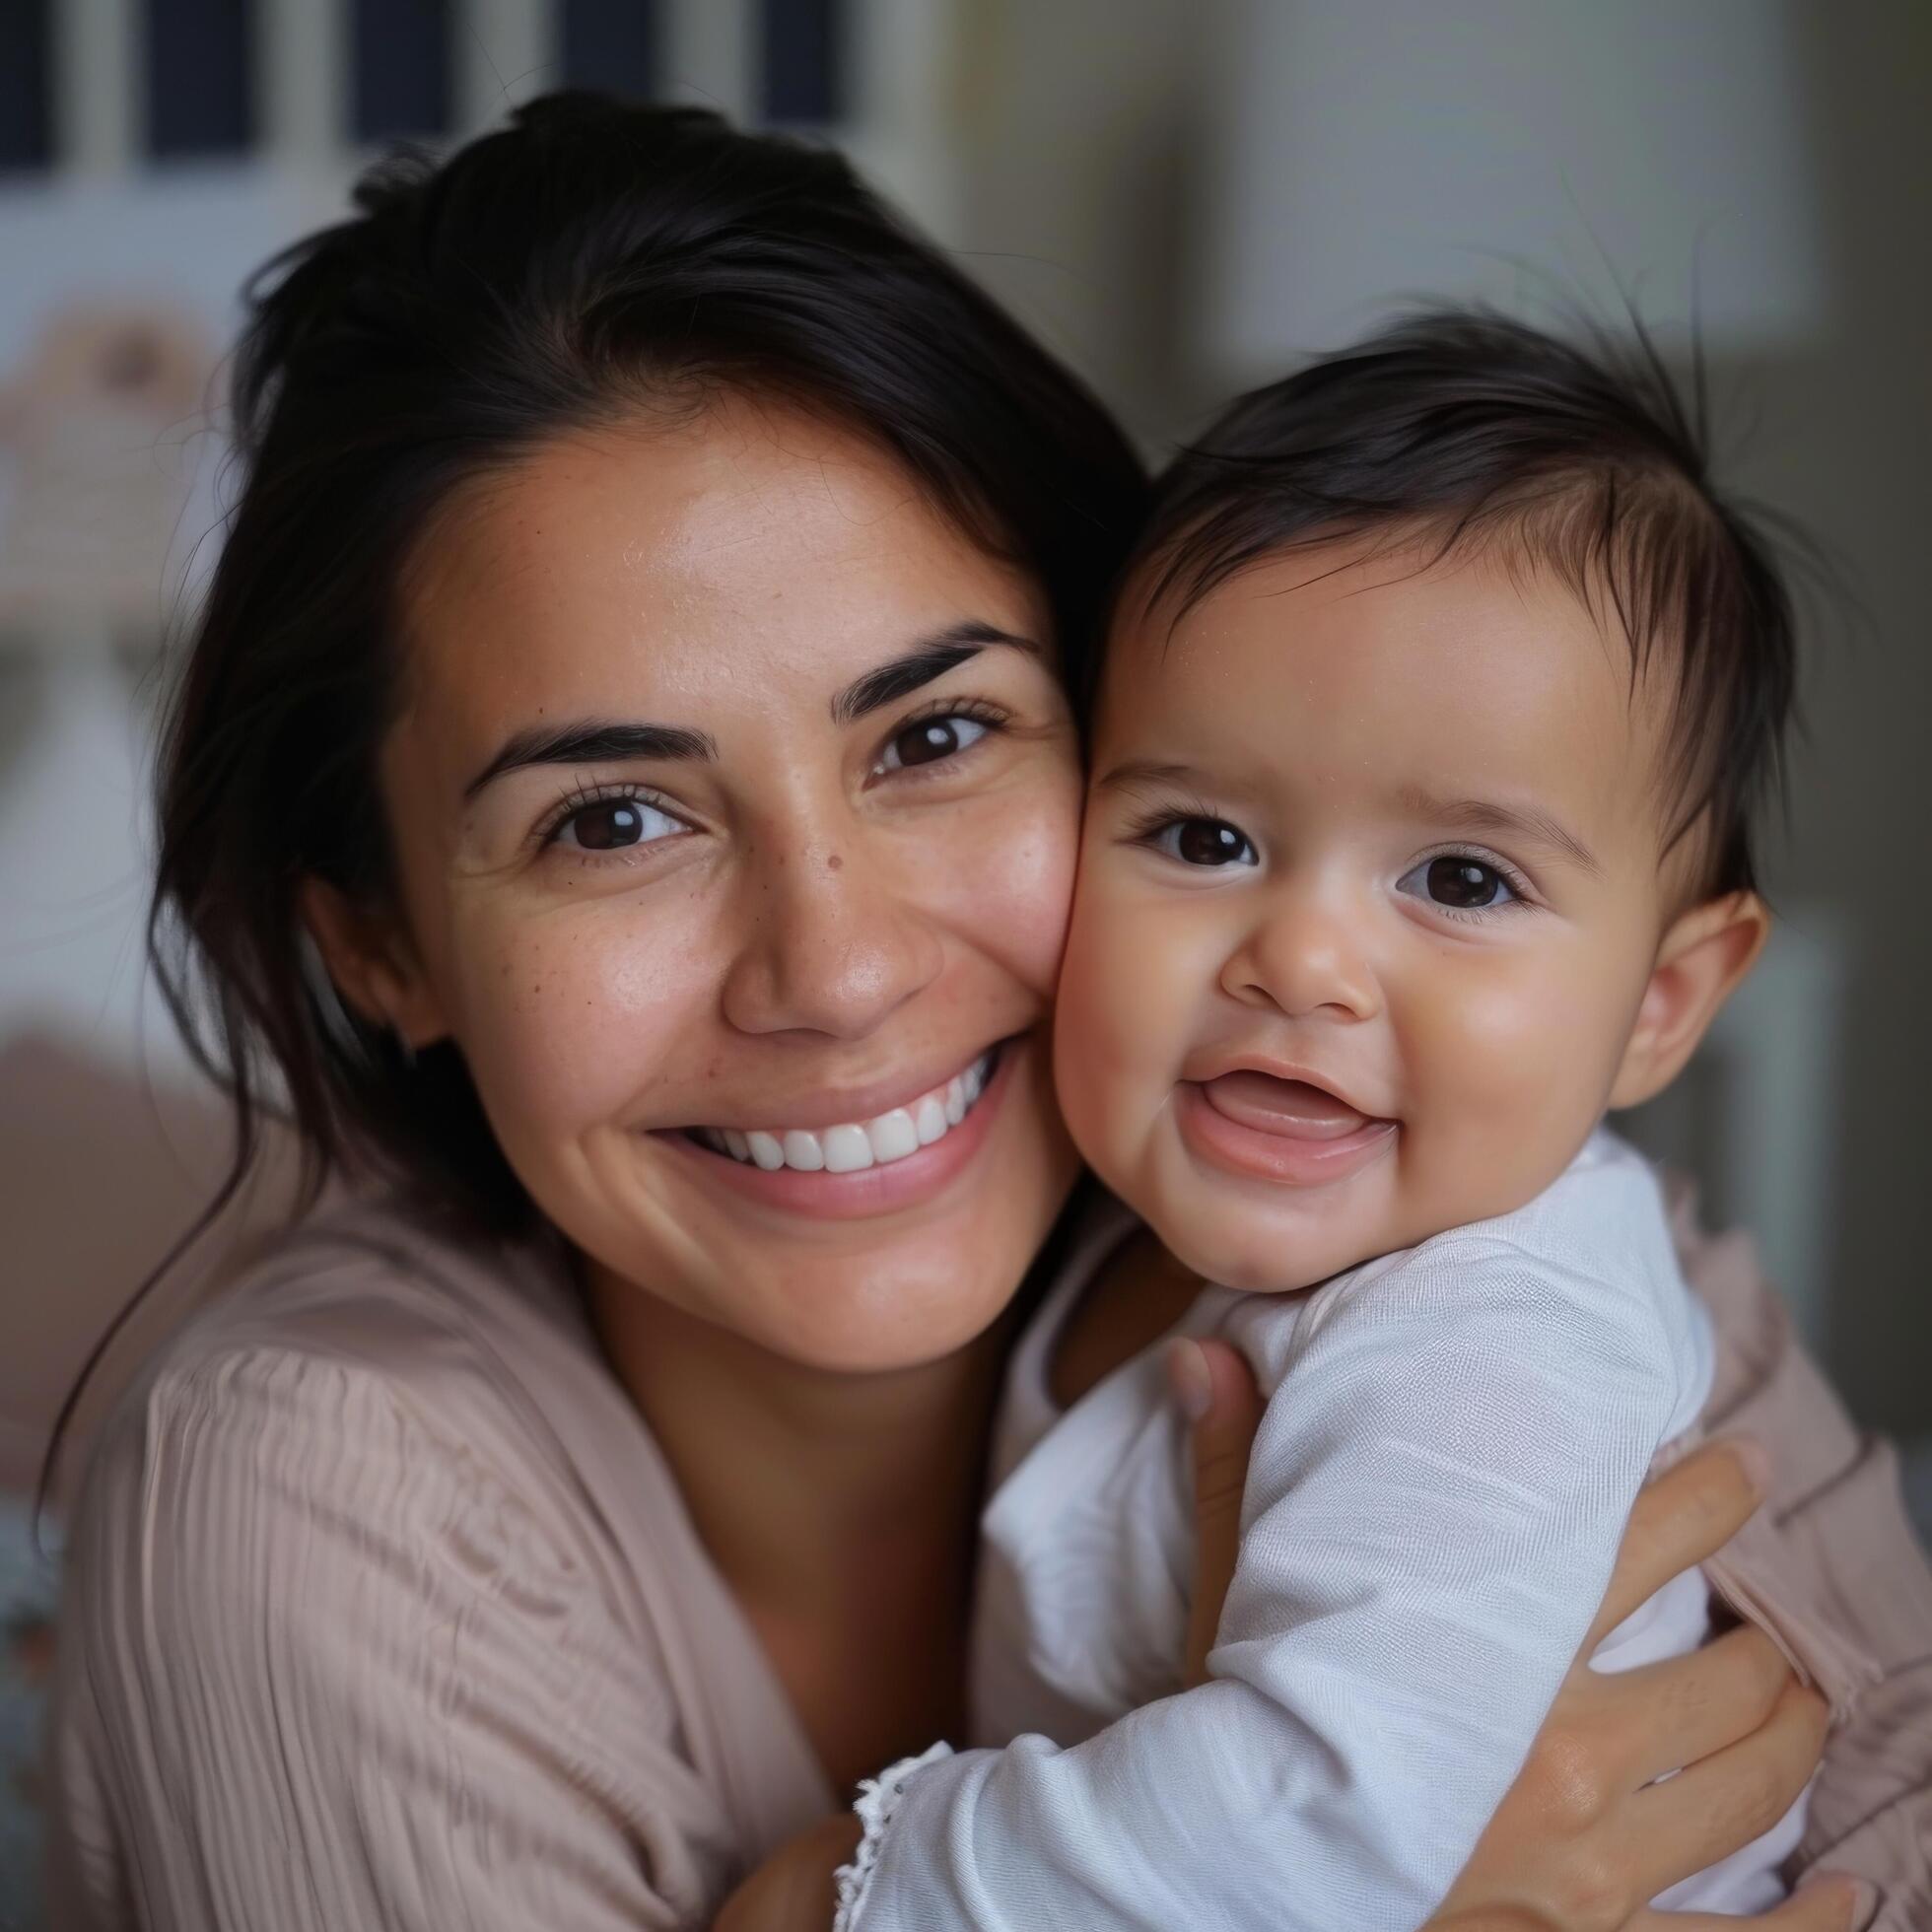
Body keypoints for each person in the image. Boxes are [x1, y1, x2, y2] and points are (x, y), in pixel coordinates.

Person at [43, 97, 1921, 1932]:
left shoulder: (1465, 1234)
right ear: (379, 944)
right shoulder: (301, 1492)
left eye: (936, 737)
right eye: (611, 819)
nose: (839, 973)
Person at [820, 311, 1844, 1929]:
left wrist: (851, 1888)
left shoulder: (1489, 1343)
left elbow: (1323, 1826)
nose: (1301, 958)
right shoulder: (1108, 1233)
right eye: (1205, 836)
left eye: (1461, 880)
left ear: (1662, 1001)